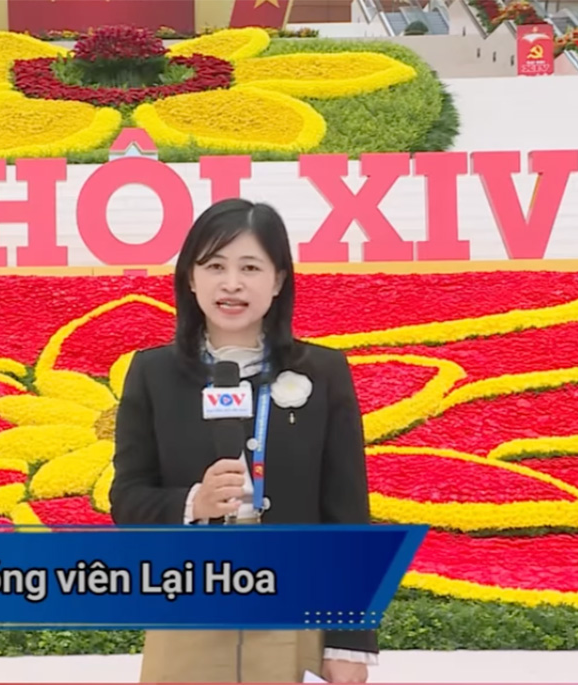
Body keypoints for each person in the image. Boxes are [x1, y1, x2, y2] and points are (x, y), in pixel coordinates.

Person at [109, 198, 378, 683]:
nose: (231, 283)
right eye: (215, 266)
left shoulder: (323, 372)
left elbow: (347, 515)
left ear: (277, 281)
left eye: (250, 267)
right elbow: (127, 500)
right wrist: (194, 503)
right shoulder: (153, 373)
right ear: (191, 279)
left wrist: (350, 641)